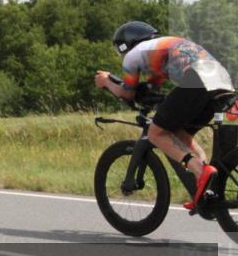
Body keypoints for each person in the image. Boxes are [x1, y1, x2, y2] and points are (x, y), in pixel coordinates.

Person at [95, 21, 235, 212]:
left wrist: (106, 82)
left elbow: (127, 93)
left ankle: (200, 170)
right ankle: (207, 186)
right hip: (222, 80)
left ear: (125, 46)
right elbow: (154, 89)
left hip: (197, 79)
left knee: (156, 133)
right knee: (181, 136)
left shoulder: (133, 56)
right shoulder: (164, 45)